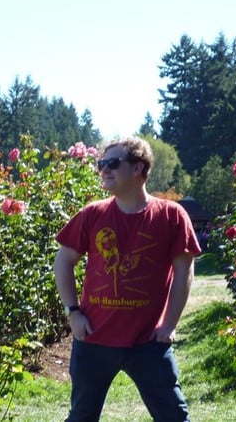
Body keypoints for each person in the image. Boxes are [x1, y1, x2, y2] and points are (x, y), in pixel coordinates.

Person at [53, 137, 201, 422]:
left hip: (148, 343)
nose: (104, 170)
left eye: (112, 163)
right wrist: (73, 312)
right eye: (101, 164)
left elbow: (184, 271)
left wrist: (169, 324)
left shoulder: (171, 215)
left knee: (174, 417)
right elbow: (63, 262)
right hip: (94, 339)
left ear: (137, 168)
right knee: (81, 416)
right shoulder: (92, 214)